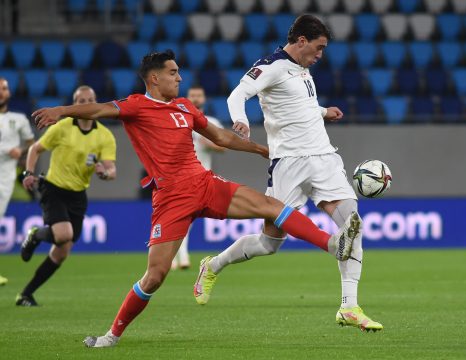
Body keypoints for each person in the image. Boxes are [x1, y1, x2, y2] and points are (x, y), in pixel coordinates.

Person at [32, 49, 362, 348]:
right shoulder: (136, 105)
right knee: (155, 276)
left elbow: (219, 136)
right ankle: (111, 335)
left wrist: (261, 149)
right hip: (171, 198)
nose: (179, 77)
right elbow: (100, 108)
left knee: (273, 207)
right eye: (173, 72)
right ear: (154, 78)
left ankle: (331, 244)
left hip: (203, 183)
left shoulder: (184, 107)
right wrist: (62, 110)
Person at [193, 15, 383, 332]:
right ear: (301, 42)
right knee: (269, 243)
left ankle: (349, 307)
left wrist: (324, 112)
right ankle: (213, 265)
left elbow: (301, 106)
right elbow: (236, 95)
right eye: (319, 47)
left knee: (352, 225)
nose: (321, 54)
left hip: (323, 157)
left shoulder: (303, 69)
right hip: (288, 164)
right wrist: (239, 120)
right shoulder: (271, 66)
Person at [16, 85, 117, 306]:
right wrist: (29, 173)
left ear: (95, 103)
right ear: (74, 103)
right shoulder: (62, 127)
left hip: (78, 194)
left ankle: (26, 294)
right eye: (80, 101)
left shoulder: (104, 135)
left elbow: (111, 170)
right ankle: (35, 235)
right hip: (54, 188)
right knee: (63, 235)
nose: (85, 104)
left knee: (62, 252)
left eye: (89, 100)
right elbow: (35, 149)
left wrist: (104, 173)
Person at [171, 85, 225, 270]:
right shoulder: (177, 120)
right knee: (184, 218)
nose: (195, 98)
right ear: (187, 97)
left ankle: (173, 257)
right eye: (192, 95)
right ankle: (181, 257)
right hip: (180, 177)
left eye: (198, 95)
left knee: (184, 219)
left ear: (204, 98)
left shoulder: (211, 122)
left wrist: (208, 143)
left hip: (202, 177)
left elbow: (223, 146)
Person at [0, 76, 35, 288]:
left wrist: (20, 151)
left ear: (9, 93)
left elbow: (33, 145)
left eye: (4, 88)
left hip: (5, 180)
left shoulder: (18, 119)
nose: (1, 91)